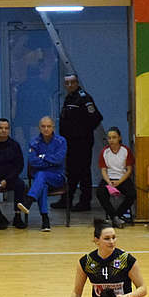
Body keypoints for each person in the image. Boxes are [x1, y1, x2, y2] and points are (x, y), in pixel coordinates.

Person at [56, 74, 102, 212]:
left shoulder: (84, 98)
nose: (69, 85)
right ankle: (66, 199)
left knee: (83, 172)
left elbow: (96, 118)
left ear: (77, 83)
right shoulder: (69, 98)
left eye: (72, 82)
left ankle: (85, 202)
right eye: (67, 83)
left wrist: (82, 132)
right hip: (70, 142)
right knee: (70, 171)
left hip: (82, 142)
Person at [16, 116, 66, 232]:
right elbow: (33, 161)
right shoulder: (34, 142)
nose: (46, 129)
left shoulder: (61, 141)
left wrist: (42, 157)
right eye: (43, 126)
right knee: (42, 184)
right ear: (39, 128)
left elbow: (59, 160)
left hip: (57, 177)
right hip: (40, 178)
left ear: (53, 127)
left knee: (41, 175)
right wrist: (49, 160)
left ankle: (29, 200)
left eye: (49, 126)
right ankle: (45, 220)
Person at [95, 127, 136, 228]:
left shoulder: (125, 150)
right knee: (100, 193)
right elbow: (103, 170)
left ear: (119, 138)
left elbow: (129, 170)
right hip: (109, 178)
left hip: (122, 178)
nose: (111, 140)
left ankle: (116, 216)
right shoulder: (105, 152)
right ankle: (115, 217)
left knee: (132, 194)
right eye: (109, 138)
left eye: (114, 137)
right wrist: (108, 181)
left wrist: (119, 182)